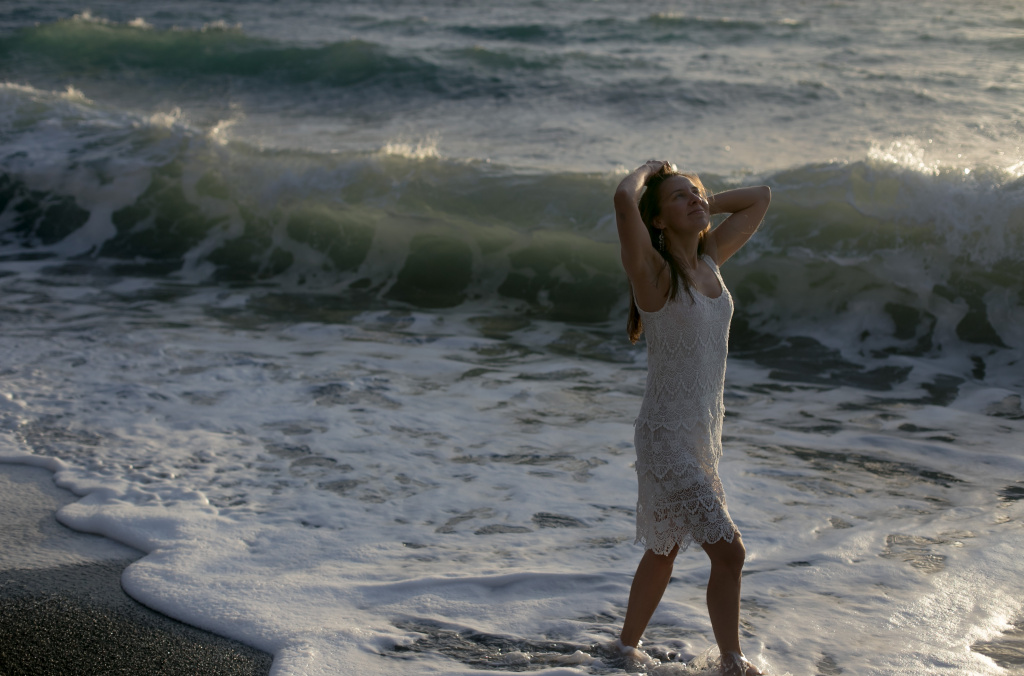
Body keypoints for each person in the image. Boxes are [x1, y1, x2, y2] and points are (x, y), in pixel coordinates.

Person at [612, 160, 771, 675]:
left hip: (700, 436)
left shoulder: (710, 258)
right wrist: (649, 172)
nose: (694, 199)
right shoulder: (655, 274)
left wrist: (702, 203)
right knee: (730, 553)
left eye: (695, 193)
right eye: (679, 197)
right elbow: (623, 198)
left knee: (663, 551)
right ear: (657, 220)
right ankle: (732, 662)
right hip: (665, 438)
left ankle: (623, 650)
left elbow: (761, 197)